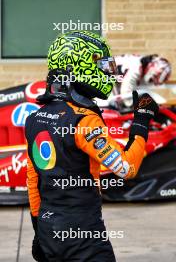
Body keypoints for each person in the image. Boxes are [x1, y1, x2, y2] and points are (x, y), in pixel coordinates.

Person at [25, 31, 159, 262]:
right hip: (82, 234)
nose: (108, 71)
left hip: (49, 231)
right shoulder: (84, 119)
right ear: (78, 66)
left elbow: (33, 179)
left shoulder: (35, 118)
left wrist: (38, 228)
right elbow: (126, 167)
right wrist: (142, 120)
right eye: (101, 63)